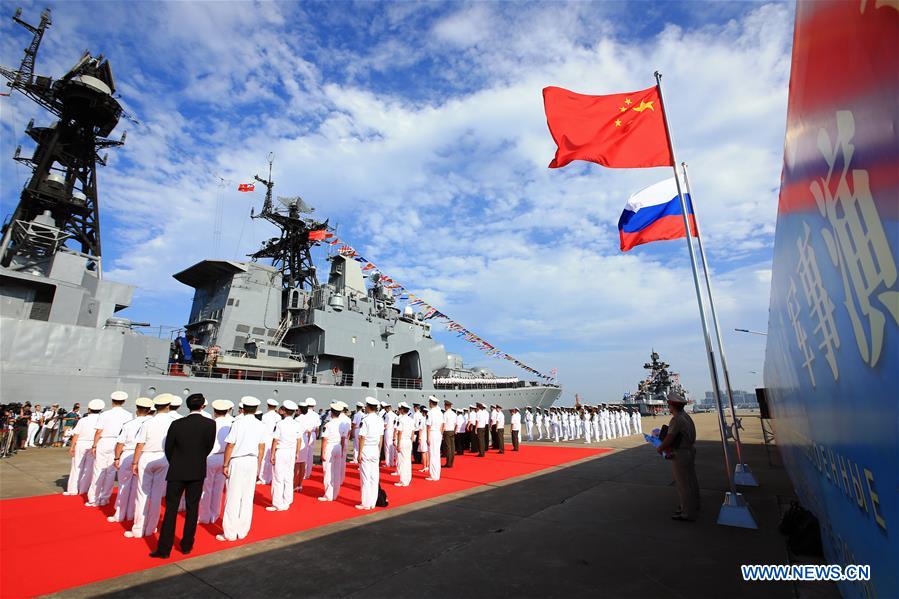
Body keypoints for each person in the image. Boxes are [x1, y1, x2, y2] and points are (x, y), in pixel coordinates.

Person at [152, 394, 216, 558]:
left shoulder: (177, 424)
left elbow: (169, 448)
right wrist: (197, 460)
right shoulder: (210, 424)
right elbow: (208, 447)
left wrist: (176, 462)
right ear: (202, 406)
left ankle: (164, 549)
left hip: (177, 470)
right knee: (192, 509)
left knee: (171, 510)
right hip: (197, 471)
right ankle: (187, 545)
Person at [217, 397, 266, 541]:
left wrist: (225, 464)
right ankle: (243, 531)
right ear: (256, 409)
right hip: (252, 461)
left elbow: (230, 445)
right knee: (247, 497)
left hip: (238, 460)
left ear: (243, 408)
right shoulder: (260, 425)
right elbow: (261, 447)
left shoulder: (237, 423)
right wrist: (258, 464)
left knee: (233, 497)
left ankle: (230, 533)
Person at [126, 394, 173, 538]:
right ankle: (151, 528)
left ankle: (138, 529)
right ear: (168, 406)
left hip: (146, 457)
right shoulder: (173, 422)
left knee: (142, 494)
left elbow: (140, 444)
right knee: (157, 495)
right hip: (164, 457)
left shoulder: (148, 422)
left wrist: (134, 462)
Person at [108, 397, 153, 523]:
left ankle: (119, 514)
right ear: (149, 410)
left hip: (128, 454)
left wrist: (117, 458)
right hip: (143, 455)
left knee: (123, 486)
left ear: (137, 409)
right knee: (139, 488)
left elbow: (120, 443)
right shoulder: (152, 423)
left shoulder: (128, 424)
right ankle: (132, 514)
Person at [657, 391, 700, 522]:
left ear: (672, 406)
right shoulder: (686, 416)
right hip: (689, 450)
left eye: (669, 405)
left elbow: (670, 437)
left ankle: (686, 512)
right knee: (691, 481)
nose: (668, 407)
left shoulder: (676, 419)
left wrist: (660, 447)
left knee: (683, 484)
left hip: (680, 453)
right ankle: (694, 505)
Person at [87, 391, 132, 507]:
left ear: (112, 401)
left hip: (104, 441)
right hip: (118, 442)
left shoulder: (104, 414)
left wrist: (94, 445)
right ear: (124, 401)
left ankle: (93, 498)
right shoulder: (128, 415)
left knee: (98, 470)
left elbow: (99, 431)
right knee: (111, 472)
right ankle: (105, 498)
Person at [199, 400, 234, 524]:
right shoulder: (231, 424)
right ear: (227, 411)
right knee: (218, 489)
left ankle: (204, 516)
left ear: (215, 411)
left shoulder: (210, 423)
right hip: (224, 457)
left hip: (210, 457)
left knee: (206, 488)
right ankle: (214, 515)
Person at [63, 399, 104, 495]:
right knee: (89, 468)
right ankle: (83, 489)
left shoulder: (83, 420)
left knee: (76, 466)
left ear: (89, 409)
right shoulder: (102, 420)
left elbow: (76, 434)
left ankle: (72, 490)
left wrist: (72, 446)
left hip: (81, 443)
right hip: (94, 444)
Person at [356, 397, 383, 510]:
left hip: (366, 449)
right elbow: (381, 437)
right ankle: (372, 502)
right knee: (374, 477)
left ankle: (366, 503)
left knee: (365, 477)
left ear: (368, 407)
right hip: (375, 449)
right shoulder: (380, 420)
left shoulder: (365, 419)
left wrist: (359, 453)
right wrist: (379, 451)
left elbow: (362, 437)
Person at [318, 401, 348, 502]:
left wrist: (322, 452)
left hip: (330, 447)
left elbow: (325, 439)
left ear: (331, 412)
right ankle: (335, 494)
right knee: (336, 471)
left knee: (328, 471)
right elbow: (343, 438)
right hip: (338, 446)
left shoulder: (328, 424)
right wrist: (342, 450)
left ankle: (328, 495)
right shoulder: (342, 424)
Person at [258, 399, 280, 485]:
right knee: (272, 457)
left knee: (264, 458)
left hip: (266, 438)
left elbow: (262, 428)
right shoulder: (278, 417)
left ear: (268, 406)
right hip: (274, 438)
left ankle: (262, 478)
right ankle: (270, 477)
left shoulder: (265, 416)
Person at [394, 402, 414, 487]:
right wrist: (411, 441)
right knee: (407, 461)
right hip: (408, 441)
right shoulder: (411, 419)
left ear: (402, 410)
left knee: (402, 461)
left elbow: (400, 432)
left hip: (402, 440)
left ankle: (403, 481)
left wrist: (398, 444)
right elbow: (413, 432)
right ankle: (407, 479)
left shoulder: (401, 419)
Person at [425, 396, 443, 481]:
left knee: (432, 455)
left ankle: (433, 475)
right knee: (437, 455)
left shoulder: (430, 412)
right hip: (438, 433)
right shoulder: (440, 412)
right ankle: (437, 474)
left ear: (431, 403)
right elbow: (442, 424)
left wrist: (427, 437)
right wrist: (441, 434)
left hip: (432, 433)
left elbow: (428, 426)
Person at [442, 400, 455, 468]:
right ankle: (451, 462)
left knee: (448, 448)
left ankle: (448, 463)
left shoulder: (445, 414)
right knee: (452, 448)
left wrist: (441, 433)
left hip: (447, 431)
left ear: (447, 406)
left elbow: (443, 425)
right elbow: (455, 423)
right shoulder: (453, 414)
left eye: (445, 405)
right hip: (452, 431)